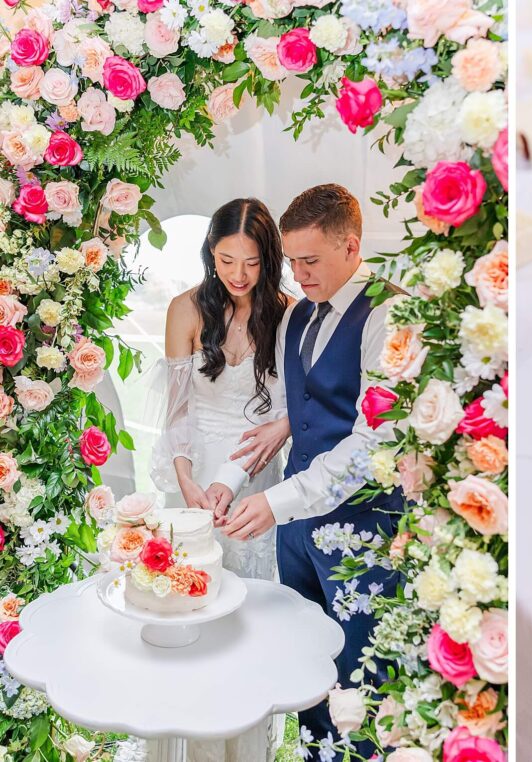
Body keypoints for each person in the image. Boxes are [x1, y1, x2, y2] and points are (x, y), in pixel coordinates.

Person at [207, 184, 404, 753]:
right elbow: (295, 409)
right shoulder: (296, 320)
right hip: (296, 537)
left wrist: (276, 502)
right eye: (291, 260)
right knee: (307, 672)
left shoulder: (388, 315)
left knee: (363, 676)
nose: (297, 273)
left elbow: (373, 442)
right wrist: (233, 475)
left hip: (366, 528)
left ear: (352, 245)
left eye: (310, 260)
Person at [153, 197, 292, 762]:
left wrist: (243, 471)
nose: (237, 274)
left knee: (245, 610)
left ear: (270, 260)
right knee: (189, 603)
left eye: (252, 262)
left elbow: (286, 406)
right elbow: (177, 411)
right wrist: (186, 483)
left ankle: (239, 748)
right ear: (211, 253)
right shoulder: (184, 309)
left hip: (255, 469)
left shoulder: (284, 311)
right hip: (194, 469)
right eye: (226, 259)